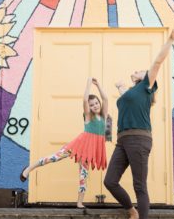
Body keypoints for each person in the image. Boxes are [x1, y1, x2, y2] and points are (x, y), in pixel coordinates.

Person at [105, 29, 174, 219]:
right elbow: (125, 100)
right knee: (110, 181)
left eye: (142, 70)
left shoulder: (146, 87)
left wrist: (170, 39)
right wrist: (122, 87)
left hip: (139, 139)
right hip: (123, 140)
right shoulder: (133, 92)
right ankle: (133, 212)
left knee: (139, 185)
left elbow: (158, 61)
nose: (139, 70)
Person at [19, 77, 108, 209]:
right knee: (55, 157)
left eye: (96, 103)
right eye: (92, 104)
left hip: (88, 151)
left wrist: (98, 85)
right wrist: (89, 84)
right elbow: (84, 100)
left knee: (84, 175)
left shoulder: (103, 116)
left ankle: (79, 202)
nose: (95, 105)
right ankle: (29, 168)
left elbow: (105, 99)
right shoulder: (89, 116)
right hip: (79, 145)